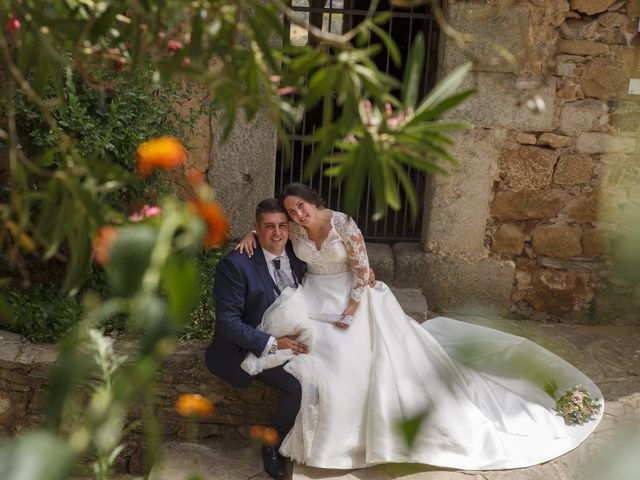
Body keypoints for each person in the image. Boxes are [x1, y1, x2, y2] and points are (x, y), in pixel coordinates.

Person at [236, 182, 604, 471]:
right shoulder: (294, 231)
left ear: (314, 202)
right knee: (316, 362)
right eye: (290, 211)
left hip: (352, 297)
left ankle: (352, 442)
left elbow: (363, 269)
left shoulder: (342, 223)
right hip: (314, 298)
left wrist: (350, 310)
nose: (297, 215)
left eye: (301, 207)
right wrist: (253, 235)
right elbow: (276, 238)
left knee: (355, 363)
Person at [204, 198, 308, 479]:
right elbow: (228, 323)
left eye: (282, 226)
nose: (277, 233)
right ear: (256, 229)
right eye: (268, 227)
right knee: (299, 385)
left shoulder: (297, 255)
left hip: (295, 338)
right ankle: (272, 446)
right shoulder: (236, 265)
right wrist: (275, 343)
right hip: (251, 348)